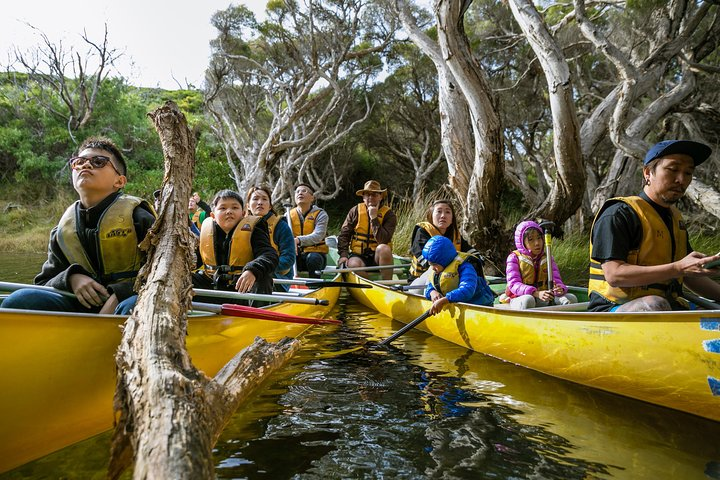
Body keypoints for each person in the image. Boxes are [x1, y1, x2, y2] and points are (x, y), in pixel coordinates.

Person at [2, 136, 156, 315]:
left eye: (98, 162)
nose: (86, 165)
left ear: (119, 182)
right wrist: (72, 278)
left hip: (130, 300)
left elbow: (168, 271)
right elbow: (43, 283)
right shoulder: (63, 231)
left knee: (133, 306)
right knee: (20, 299)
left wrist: (121, 294)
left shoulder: (139, 217)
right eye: (79, 162)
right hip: (84, 307)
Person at [588, 139, 720, 312]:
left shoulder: (674, 219)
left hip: (665, 305)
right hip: (614, 308)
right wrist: (678, 268)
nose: (681, 179)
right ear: (648, 173)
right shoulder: (619, 213)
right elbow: (614, 275)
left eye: (688, 173)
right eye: (673, 170)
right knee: (655, 304)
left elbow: (689, 276)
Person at [193, 189, 278, 297]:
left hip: (243, 290)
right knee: (184, 278)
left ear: (243, 214)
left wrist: (252, 270)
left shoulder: (255, 230)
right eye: (223, 208)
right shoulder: (207, 232)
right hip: (212, 287)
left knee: (262, 277)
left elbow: (270, 255)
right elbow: (196, 260)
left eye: (235, 207)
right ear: (213, 216)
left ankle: (257, 312)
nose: (229, 211)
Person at [501, 220, 577, 309]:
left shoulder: (547, 257)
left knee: (572, 298)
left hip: (543, 297)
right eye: (531, 239)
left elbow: (557, 280)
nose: (537, 243)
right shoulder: (514, 258)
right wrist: (535, 293)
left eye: (539, 238)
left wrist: (560, 289)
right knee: (528, 300)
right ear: (522, 242)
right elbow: (514, 284)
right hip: (520, 298)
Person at [337, 180, 397, 280]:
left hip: (378, 257)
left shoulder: (389, 215)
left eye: (374, 194)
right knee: (352, 265)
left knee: (384, 248)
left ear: (380, 196)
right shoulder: (355, 211)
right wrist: (343, 255)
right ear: (363, 197)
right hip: (358, 255)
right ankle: (372, 284)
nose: (370, 197)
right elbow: (344, 235)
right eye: (367, 195)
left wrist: (374, 218)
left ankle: (388, 283)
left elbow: (383, 240)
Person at [422, 235, 495, 314]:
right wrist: (432, 292)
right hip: (455, 303)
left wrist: (446, 299)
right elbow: (432, 285)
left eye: (434, 264)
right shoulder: (438, 269)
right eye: (430, 264)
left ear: (444, 260)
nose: (432, 268)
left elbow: (467, 290)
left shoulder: (466, 267)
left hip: (479, 306)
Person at [246, 186, 296, 291]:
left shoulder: (281, 226)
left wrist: (259, 268)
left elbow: (289, 258)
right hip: (246, 273)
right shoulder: (242, 225)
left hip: (277, 278)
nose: (260, 202)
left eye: (264, 199)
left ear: (269, 207)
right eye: (255, 199)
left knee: (261, 279)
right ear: (248, 206)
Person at [409, 199, 472, 282]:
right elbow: (421, 256)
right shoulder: (422, 232)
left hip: (448, 277)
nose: (443, 216)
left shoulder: (455, 235)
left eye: (447, 212)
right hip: (422, 279)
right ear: (431, 215)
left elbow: (469, 251)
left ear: (452, 218)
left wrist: (478, 260)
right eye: (439, 212)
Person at [289, 183, 329, 278]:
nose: (300, 193)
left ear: (312, 198)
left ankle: (314, 287)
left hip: (316, 255)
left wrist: (298, 240)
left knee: (313, 258)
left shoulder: (321, 214)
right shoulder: (288, 215)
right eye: (297, 192)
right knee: (283, 258)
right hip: (296, 254)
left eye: (304, 191)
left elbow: (318, 236)